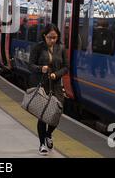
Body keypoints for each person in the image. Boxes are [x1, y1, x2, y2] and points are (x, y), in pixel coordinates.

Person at [28, 23, 68, 155]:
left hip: (56, 85)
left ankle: (48, 134)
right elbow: (30, 65)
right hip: (42, 84)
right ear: (44, 36)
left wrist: (56, 74)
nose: (52, 40)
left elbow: (66, 67)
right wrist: (41, 69)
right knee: (43, 115)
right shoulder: (38, 48)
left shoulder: (61, 48)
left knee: (56, 113)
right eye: (50, 37)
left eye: (55, 37)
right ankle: (41, 144)